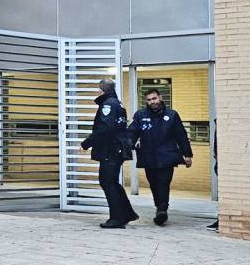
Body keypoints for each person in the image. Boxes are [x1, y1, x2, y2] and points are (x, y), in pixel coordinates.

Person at [128, 89, 193, 227]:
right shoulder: (140, 115)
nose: (152, 102)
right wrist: (126, 148)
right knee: (153, 184)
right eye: (149, 100)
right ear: (146, 101)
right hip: (148, 156)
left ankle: (162, 210)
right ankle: (159, 207)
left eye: (154, 98)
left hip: (167, 156)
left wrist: (187, 154)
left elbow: (181, 135)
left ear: (160, 98)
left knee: (163, 183)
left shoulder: (172, 115)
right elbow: (132, 133)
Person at [81, 78, 137, 229]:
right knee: (112, 182)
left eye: (98, 89)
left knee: (107, 182)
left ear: (102, 90)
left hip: (110, 149)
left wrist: (87, 143)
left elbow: (105, 128)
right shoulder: (117, 103)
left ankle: (117, 218)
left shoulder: (108, 104)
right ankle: (127, 213)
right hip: (116, 148)